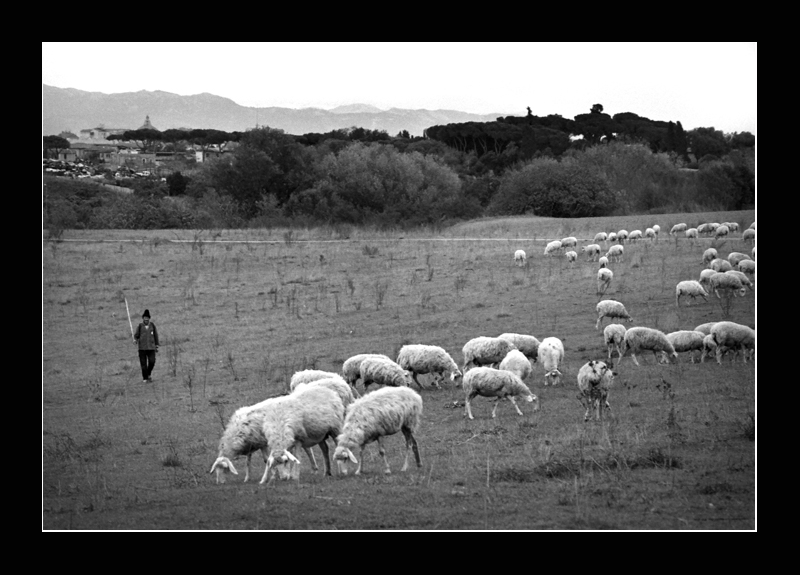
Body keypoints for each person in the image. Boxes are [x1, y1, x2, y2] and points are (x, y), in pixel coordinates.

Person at [134, 309, 159, 382]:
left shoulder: (152, 326)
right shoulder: (140, 326)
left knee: (152, 361)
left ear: (149, 319)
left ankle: (148, 373)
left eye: (147, 319)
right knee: (143, 364)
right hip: (142, 348)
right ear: (143, 319)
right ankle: (145, 378)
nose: (146, 321)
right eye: (145, 319)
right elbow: (136, 336)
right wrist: (135, 339)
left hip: (151, 348)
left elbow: (156, 336)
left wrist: (156, 345)